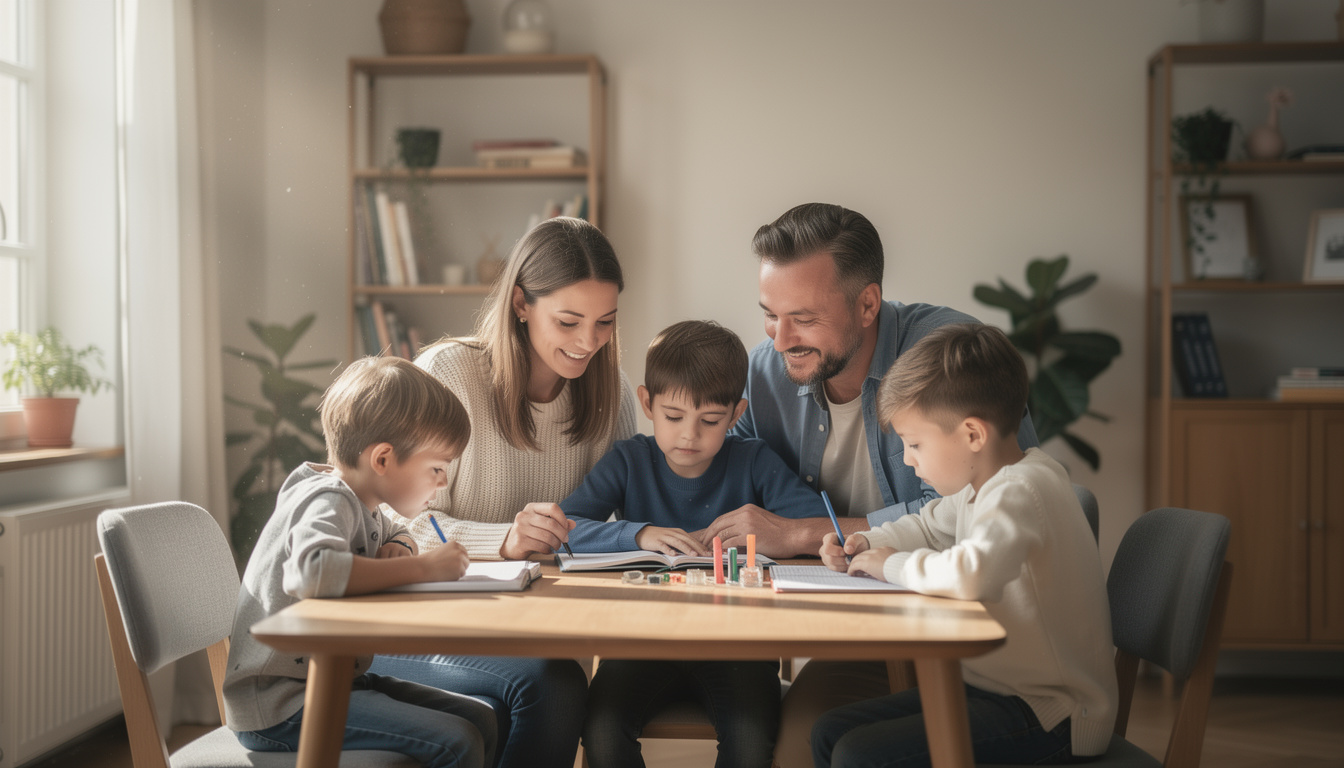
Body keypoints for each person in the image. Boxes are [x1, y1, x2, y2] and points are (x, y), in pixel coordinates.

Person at [703, 202, 1040, 767]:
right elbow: (722, 480)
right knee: (795, 751)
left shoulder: (952, 359)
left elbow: (977, 508)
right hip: (861, 634)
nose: (781, 339)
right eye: (769, 314)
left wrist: (803, 533)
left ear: (867, 304)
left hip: (968, 651)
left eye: (803, 318)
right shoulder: (766, 372)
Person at [367, 216, 638, 768]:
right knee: (552, 687)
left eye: (605, 322)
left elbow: (629, 523)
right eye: (568, 321)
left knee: (558, 682)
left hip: (536, 628)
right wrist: (505, 541)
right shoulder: (450, 374)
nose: (589, 342)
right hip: (421, 628)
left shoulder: (610, 395)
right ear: (520, 303)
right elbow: (395, 521)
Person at [812, 323, 1117, 767]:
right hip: (995, 691)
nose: (909, 458)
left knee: (859, 754)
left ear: (973, 435)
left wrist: (890, 565)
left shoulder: (1020, 489)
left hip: (1054, 712)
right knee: (830, 732)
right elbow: (927, 526)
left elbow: (971, 573)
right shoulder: (982, 485)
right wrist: (866, 543)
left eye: (915, 443)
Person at [560, 320, 826, 768]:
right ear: (646, 402)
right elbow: (563, 530)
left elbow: (814, 526)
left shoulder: (754, 460)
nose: (689, 435)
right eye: (673, 416)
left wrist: (767, 532)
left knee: (750, 740)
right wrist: (638, 533)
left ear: (736, 414)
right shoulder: (629, 460)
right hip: (641, 644)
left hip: (739, 649)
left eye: (710, 421)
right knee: (602, 731)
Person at [223, 356, 497, 768]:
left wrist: (402, 550)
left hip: (333, 678)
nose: (443, 482)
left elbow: (397, 533)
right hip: (281, 703)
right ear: (383, 460)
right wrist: (422, 568)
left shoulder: (365, 504)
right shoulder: (329, 501)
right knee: (457, 740)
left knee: (481, 718)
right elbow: (313, 571)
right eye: (438, 468)